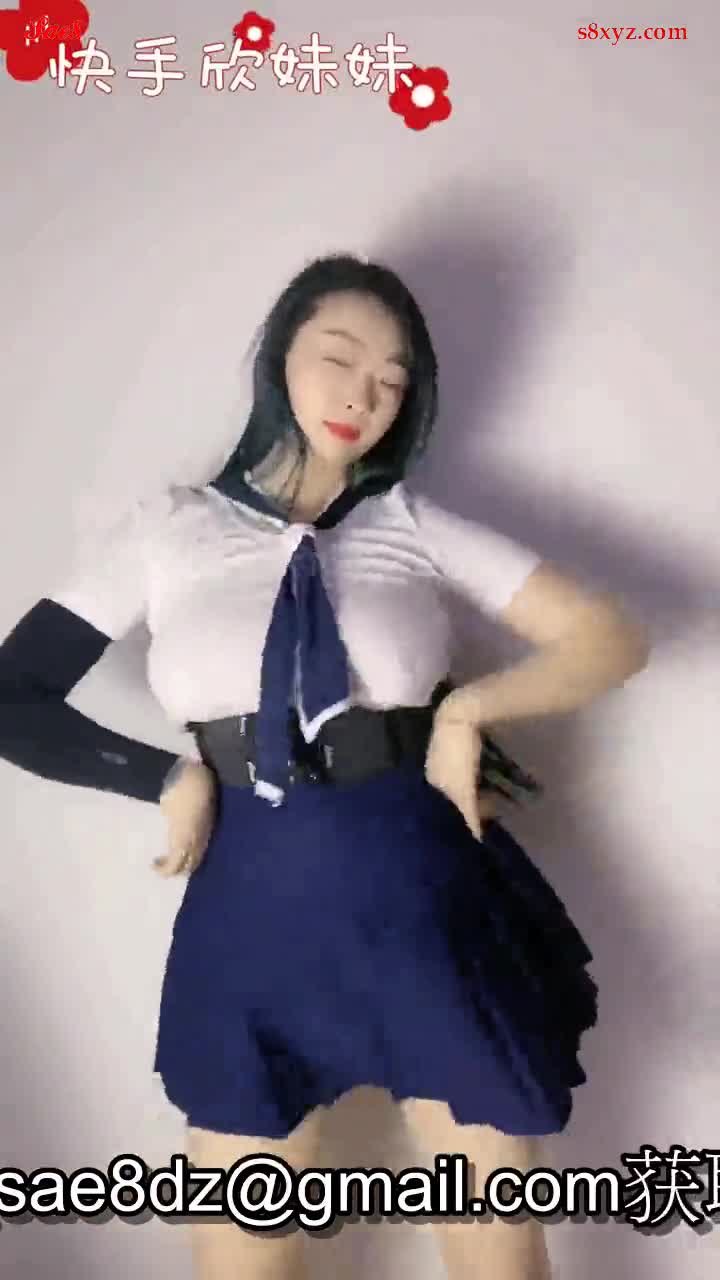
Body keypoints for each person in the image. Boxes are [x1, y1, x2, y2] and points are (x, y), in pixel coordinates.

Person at [0, 253, 650, 1279]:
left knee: (502, 1262)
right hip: (250, 921)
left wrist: (469, 708)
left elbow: (609, 637)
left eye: (392, 379)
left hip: (428, 904)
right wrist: (165, 776)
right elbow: (13, 694)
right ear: (279, 361)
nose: (361, 395)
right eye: (338, 358)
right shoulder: (172, 529)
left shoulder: (409, 524)